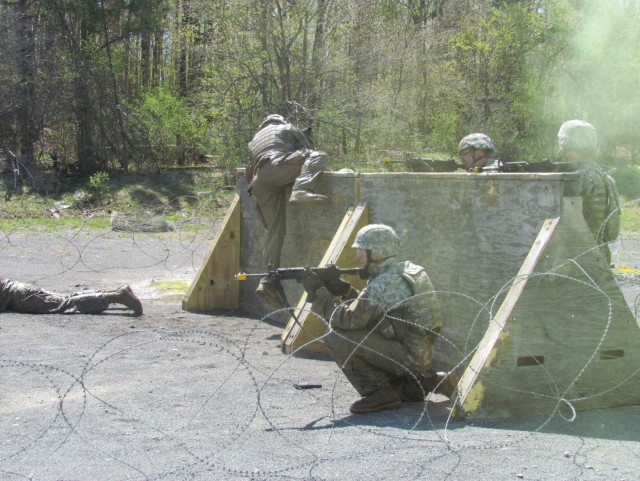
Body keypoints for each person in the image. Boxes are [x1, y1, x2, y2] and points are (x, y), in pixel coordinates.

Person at [308, 224, 457, 414]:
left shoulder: (382, 284)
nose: (357, 257)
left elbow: (351, 320)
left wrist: (323, 298)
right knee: (405, 390)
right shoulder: (404, 270)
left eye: (362, 251)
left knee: (336, 336)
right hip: (417, 351)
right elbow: (372, 313)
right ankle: (431, 381)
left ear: (376, 253)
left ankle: (379, 392)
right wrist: (346, 292)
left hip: (409, 356)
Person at [247, 113, 329, 307]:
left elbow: (250, 172)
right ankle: (301, 189)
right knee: (320, 156)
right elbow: (309, 150)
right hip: (277, 168)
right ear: (280, 121)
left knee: (274, 233)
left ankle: (267, 280)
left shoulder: (253, 142)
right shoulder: (286, 128)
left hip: (261, 182)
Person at [557, 119, 621, 264]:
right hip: (599, 255)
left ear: (565, 146)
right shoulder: (603, 176)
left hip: (575, 257)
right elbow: (612, 230)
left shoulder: (576, 178)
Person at [0, 274, 143, 316]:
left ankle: (115, 297)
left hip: (19, 296)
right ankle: (110, 293)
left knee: (64, 305)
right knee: (65, 299)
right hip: (21, 290)